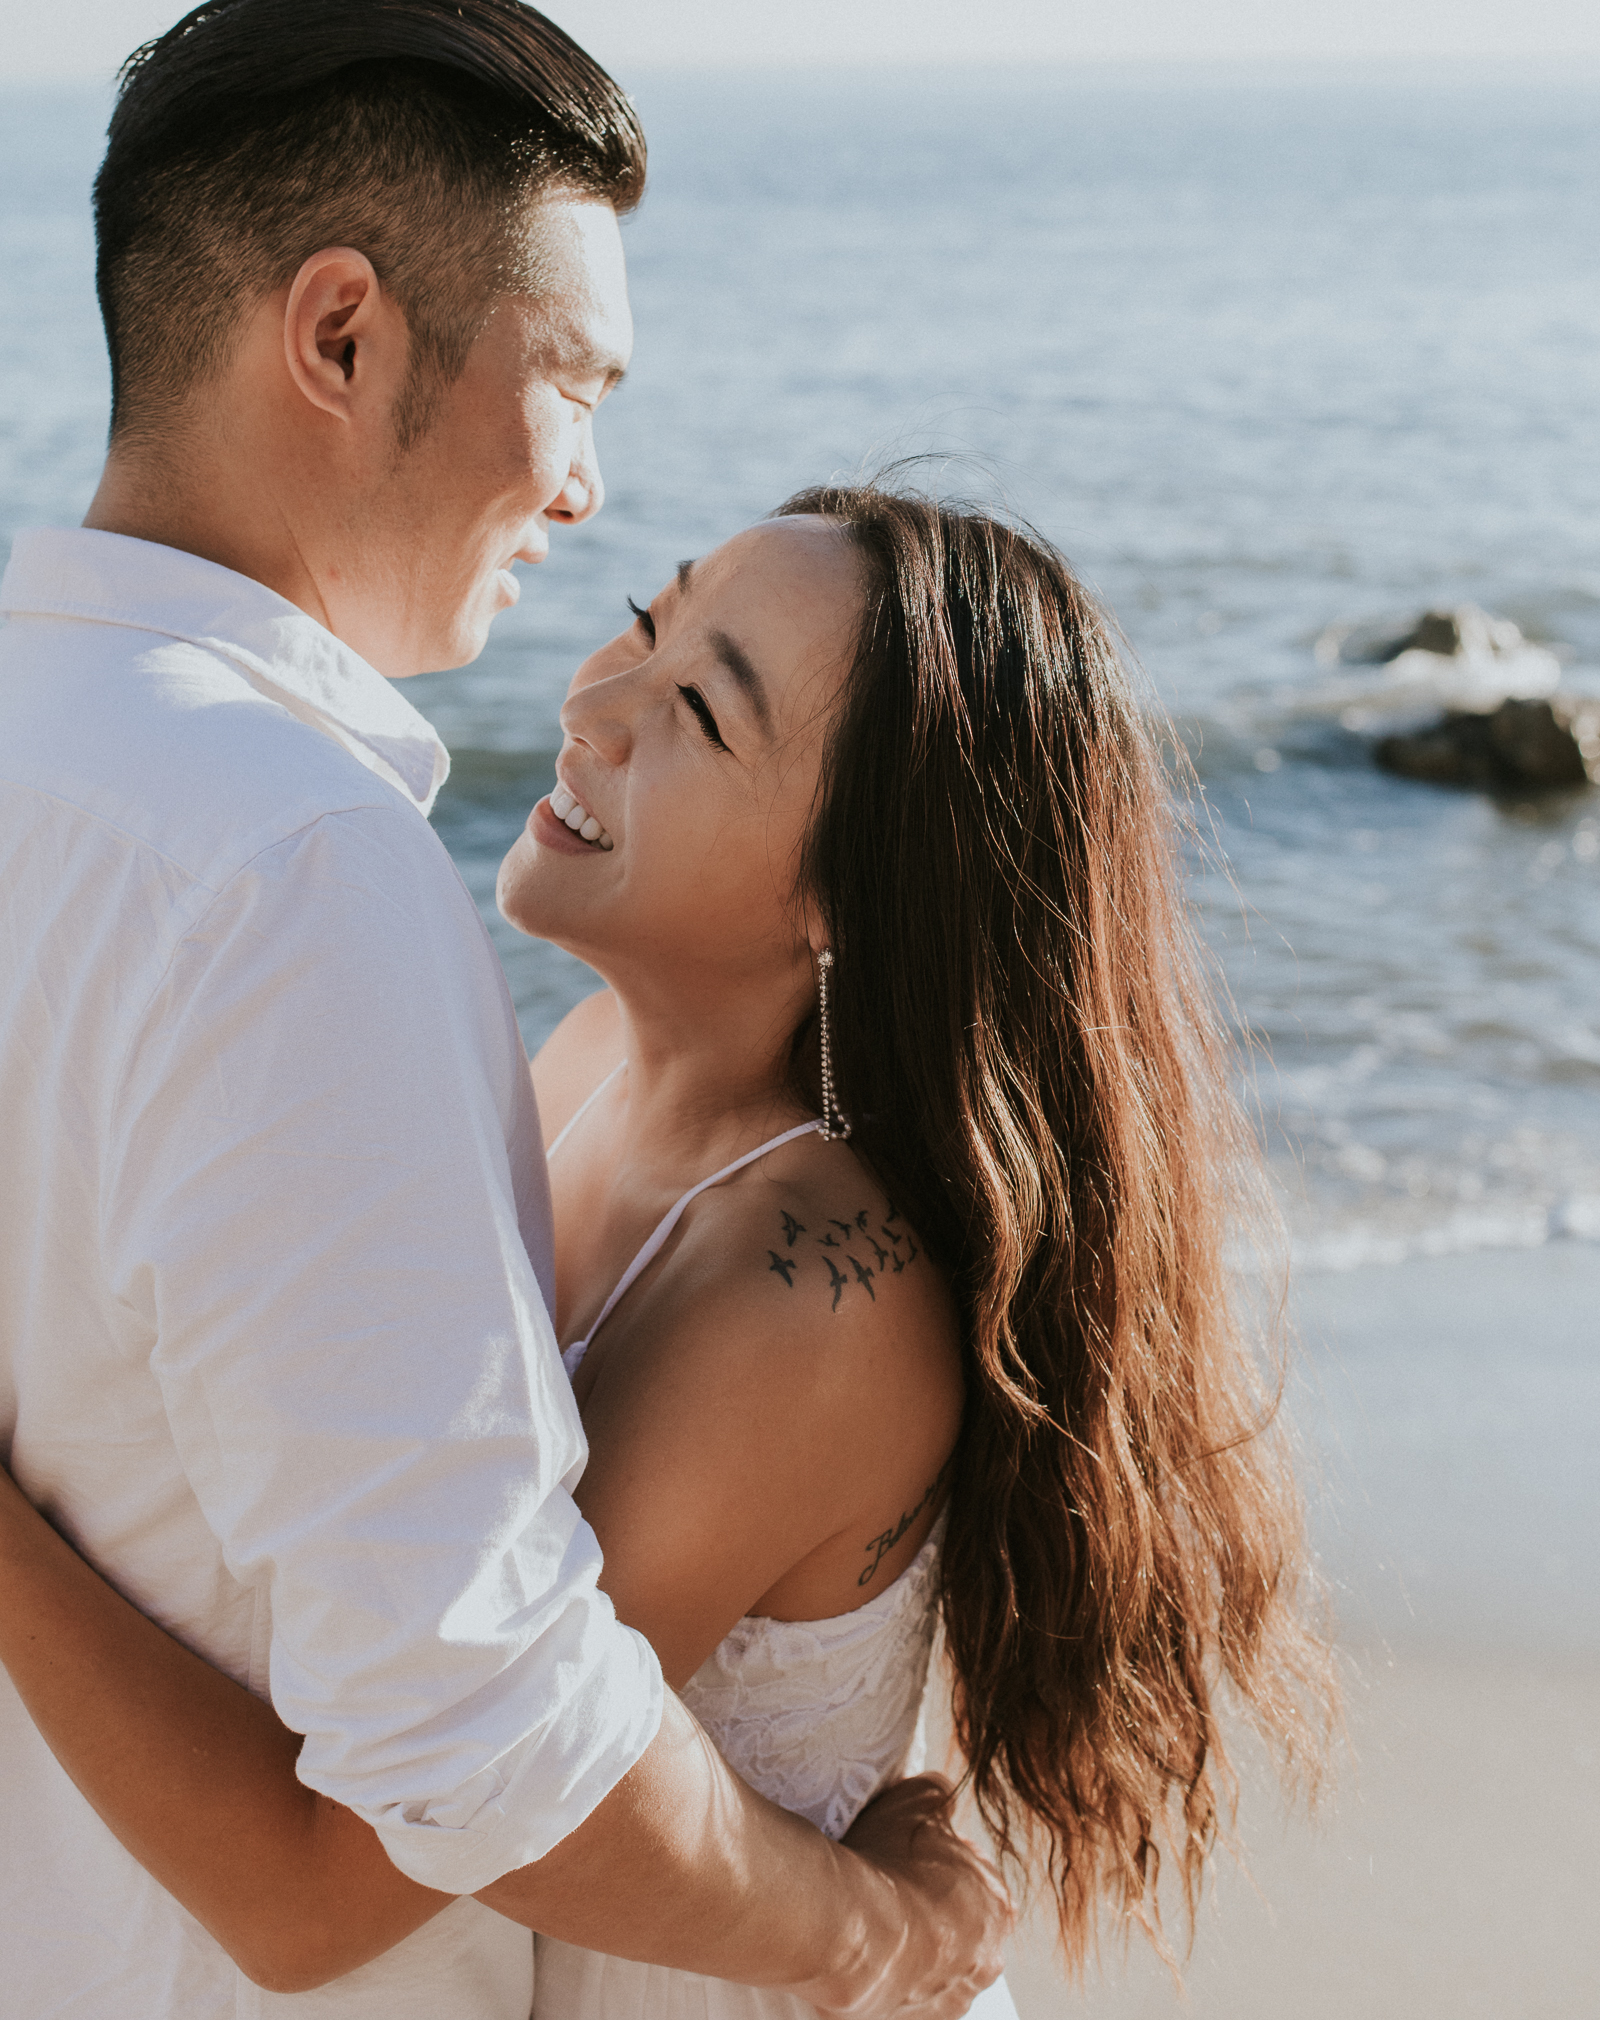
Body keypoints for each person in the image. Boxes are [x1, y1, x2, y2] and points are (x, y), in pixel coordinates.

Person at [0, 0, 1010, 2018]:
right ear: (344, 333)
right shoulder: (293, 869)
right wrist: (877, 1934)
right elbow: (451, 1769)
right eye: (580, 384)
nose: (581, 493)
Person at [0, 480, 1335, 2011]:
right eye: (647, 621)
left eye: (700, 708)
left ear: (847, 897)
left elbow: (315, 1891)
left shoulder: (809, 1301)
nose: (595, 700)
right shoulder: (578, 1069)